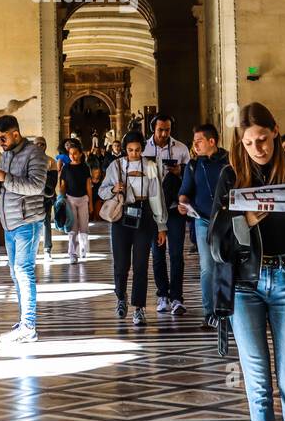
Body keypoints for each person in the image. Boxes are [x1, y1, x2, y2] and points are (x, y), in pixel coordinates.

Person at [207, 103, 285, 421]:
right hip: (244, 285)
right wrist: (246, 220)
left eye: (262, 139)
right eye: (249, 143)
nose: (257, 149)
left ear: (275, 131)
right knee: (259, 386)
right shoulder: (230, 176)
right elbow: (214, 241)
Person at [0, 114, 48, 343]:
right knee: (15, 273)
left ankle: (29, 326)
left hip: (27, 222)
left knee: (24, 271)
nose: (0, 143)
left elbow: (36, 185)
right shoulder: (6, 155)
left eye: (2, 138)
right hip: (9, 222)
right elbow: (1, 186)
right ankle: (24, 321)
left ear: (15, 134)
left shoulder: (35, 154)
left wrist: (5, 176)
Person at [98, 131, 167, 325]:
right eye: (130, 150)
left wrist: (161, 225)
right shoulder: (116, 165)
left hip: (144, 215)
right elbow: (102, 191)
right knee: (121, 264)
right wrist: (113, 189)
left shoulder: (150, 166)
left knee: (141, 265)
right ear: (124, 149)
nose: (134, 154)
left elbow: (156, 196)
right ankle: (121, 297)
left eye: (137, 150)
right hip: (122, 216)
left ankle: (139, 308)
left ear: (142, 149)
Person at [179, 123, 230, 328]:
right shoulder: (193, 165)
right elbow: (185, 191)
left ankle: (225, 311)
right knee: (207, 267)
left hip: (226, 220)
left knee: (225, 265)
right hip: (202, 220)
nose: (195, 146)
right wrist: (183, 203)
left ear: (212, 141)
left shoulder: (230, 162)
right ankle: (210, 312)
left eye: (199, 141)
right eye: (194, 142)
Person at [144, 114, 191, 314]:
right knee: (157, 254)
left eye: (168, 130)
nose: (164, 134)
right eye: (160, 130)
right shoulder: (144, 149)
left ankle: (177, 297)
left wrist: (180, 171)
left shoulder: (180, 148)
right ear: (153, 129)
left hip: (174, 208)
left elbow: (190, 176)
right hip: (155, 211)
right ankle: (162, 294)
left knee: (177, 254)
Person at [58, 141, 92, 263]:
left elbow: (88, 186)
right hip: (70, 199)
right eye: (70, 154)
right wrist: (60, 198)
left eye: (75, 153)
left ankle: (82, 249)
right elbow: (62, 185)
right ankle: (72, 254)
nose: (72, 156)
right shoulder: (66, 168)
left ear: (81, 154)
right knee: (72, 228)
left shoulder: (85, 168)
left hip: (83, 199)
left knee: (83, 227)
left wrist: (91, 203)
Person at [36, 136, 58, 262]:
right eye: (37, 144)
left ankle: (47, 250)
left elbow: (52, 182)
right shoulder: (29, 161)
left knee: (46, 223)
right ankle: (31, 250)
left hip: (46, 197)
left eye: (42, 144)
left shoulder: (51, 161)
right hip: (32, 198)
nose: (40, 146)